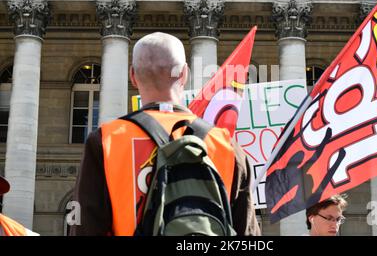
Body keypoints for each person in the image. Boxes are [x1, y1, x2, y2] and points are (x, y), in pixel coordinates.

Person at [70, 32, 260, 236]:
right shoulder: (226, 145)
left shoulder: (105, 141)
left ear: (133, 76)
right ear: (184, 74)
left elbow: (85, 229)